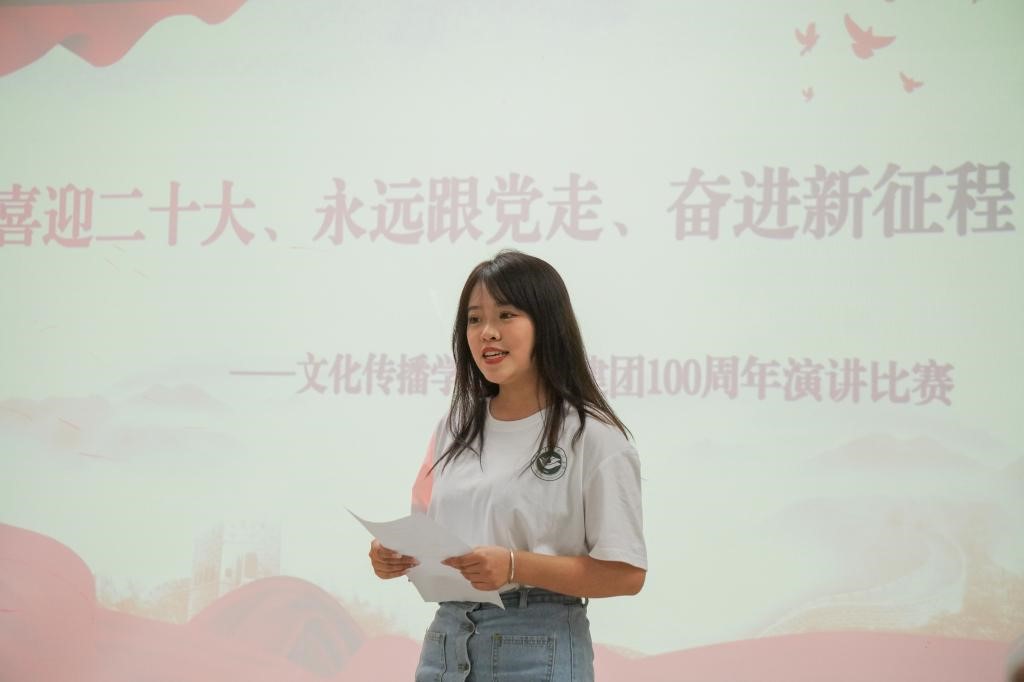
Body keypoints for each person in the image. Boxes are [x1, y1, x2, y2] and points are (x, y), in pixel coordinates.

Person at [369, 250, 647, 681]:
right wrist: (392, 554)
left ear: (547, 324)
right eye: (474, 319)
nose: (487, 333)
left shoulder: (592, 436)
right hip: (446, 644)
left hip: (537, 646)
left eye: (506, 315)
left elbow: (627, 574)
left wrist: (516, 566)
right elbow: (426, 531)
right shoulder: (453, 428)